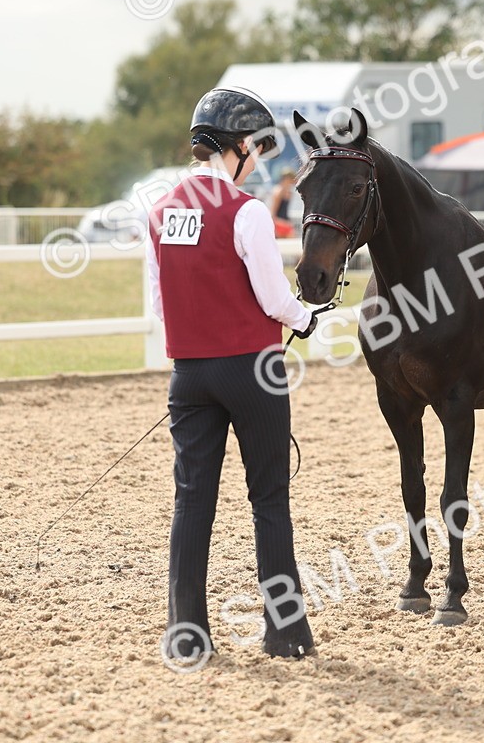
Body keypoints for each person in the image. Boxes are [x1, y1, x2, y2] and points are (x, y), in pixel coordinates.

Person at [146, 86, 319, 660]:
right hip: (252, 372)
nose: (259, 161)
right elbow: (274, 298)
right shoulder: (246, 212)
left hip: (188, 376)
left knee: (192, 502)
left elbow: (160, 304)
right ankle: (285, 633)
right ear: (239, 145)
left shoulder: (160, 213)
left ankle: (186, 636)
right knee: (268, 500)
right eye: (257, 149)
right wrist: (306, 318)